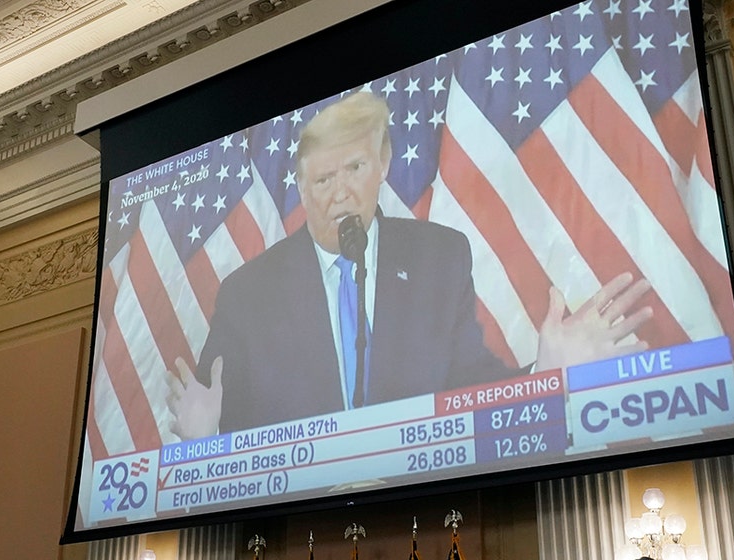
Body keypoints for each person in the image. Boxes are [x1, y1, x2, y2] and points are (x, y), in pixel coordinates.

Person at [167, 90, 653, 437]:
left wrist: (543, 373)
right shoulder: (248, 290)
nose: (341, 193)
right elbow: (225, 415)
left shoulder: (439, 256)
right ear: (300, 187)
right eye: (323, 180)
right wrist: (207, 437)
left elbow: (466, 388)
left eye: (355, 168)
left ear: (383, 164)